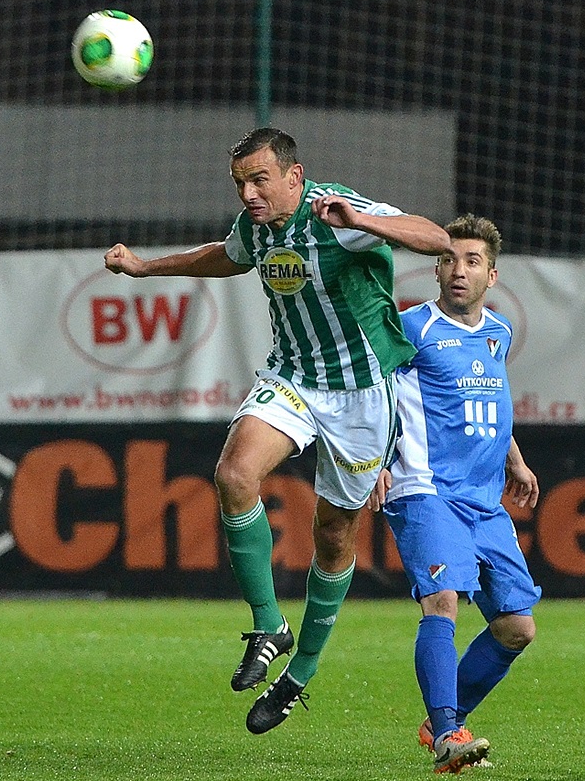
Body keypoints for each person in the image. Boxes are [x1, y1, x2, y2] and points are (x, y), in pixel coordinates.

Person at [104, 127, 451, 734]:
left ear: (295, 176)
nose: (249, 193)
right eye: (241, 182)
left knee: (334, 537)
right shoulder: (258, 227)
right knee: (234, 475)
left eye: (260, 179)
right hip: (294, 376)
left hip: (363, 393)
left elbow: (437, 239)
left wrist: (365, 223)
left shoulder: (336, 210)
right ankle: (269, 624)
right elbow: (224, 254)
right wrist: (142, 269)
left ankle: (300, 675)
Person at [368, 212, 541, 773]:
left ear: (492, 275)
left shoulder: (498, 331)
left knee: (517, 628)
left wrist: (514, 459)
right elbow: (372, 397)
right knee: (443, 603)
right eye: (448, 259)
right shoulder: (411, 328)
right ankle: (448, 736)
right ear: (437, 268)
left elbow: (494, 398)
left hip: (485, 500)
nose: (458, 270)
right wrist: (371, 463)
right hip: (426, 491)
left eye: (472, 261)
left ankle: (444, 719)